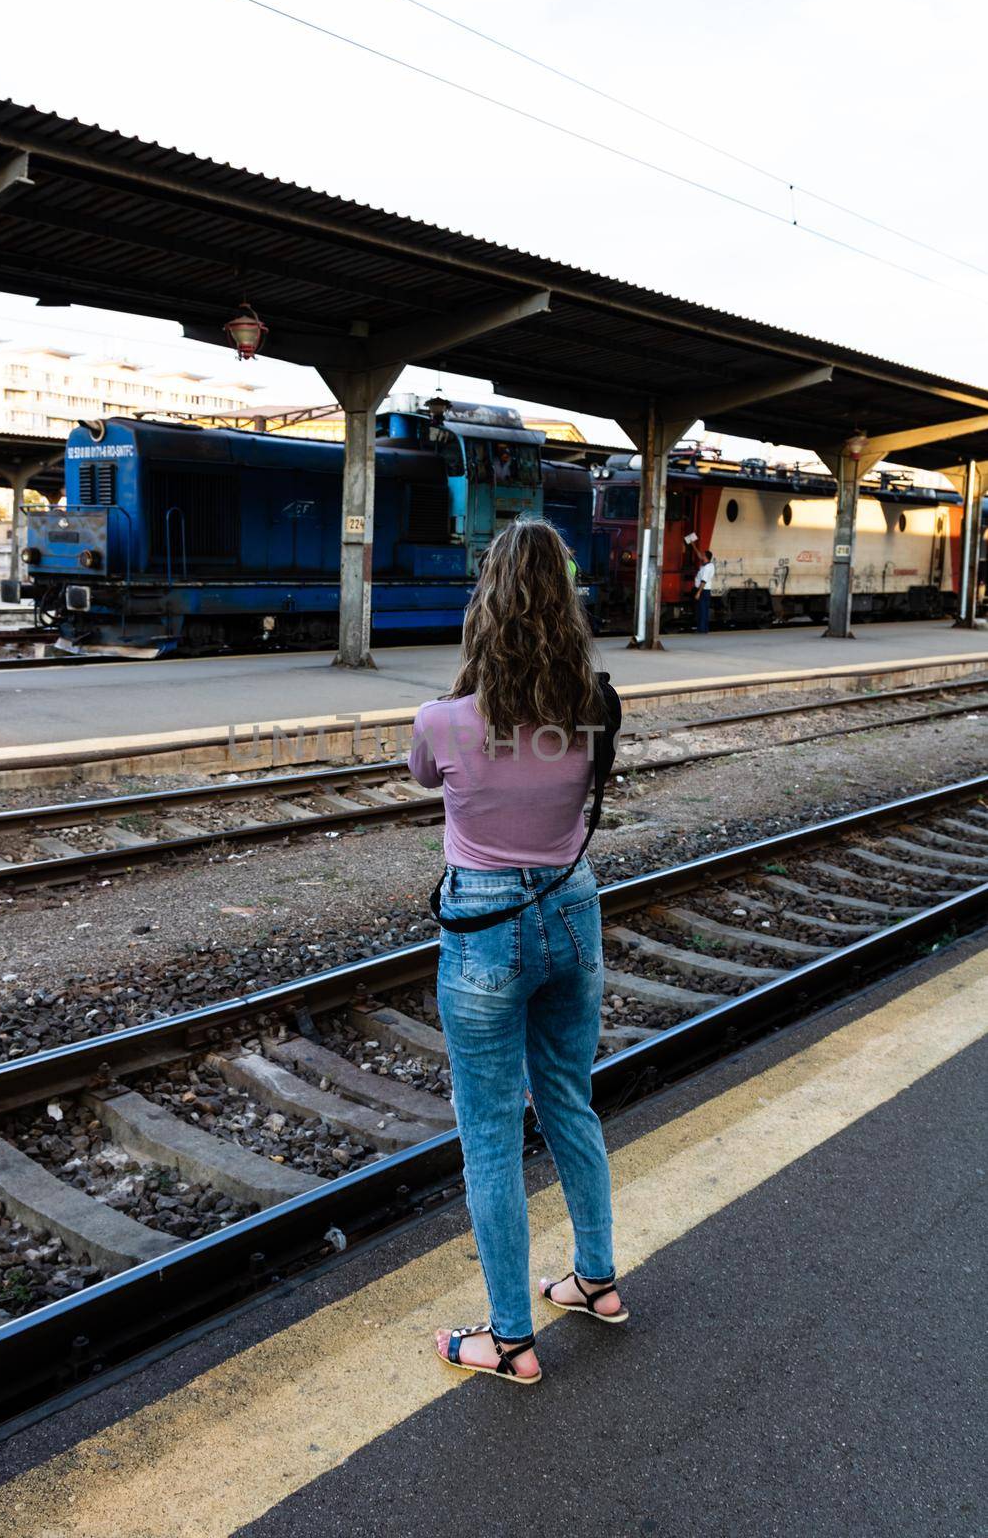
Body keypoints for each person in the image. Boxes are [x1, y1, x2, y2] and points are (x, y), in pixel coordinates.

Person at [409, 517, 627, 1387]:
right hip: (571, 916)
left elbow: (424, 776)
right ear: (566, 608)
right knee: (569, 1101)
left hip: (484, 934)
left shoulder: (444, 719)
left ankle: (506, 1338)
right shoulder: (594, 709)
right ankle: (596, 1283)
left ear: (484, 605)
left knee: (492, 1135)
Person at [691, 541, 715, 632]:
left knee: (702, 610)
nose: (701, 556)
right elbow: (698, 555)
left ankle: (702, 630)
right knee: (703, 610)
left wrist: (698, 592)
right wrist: (693, 544)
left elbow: (703, 581)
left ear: (706, 557)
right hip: (705, 591)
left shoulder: (707, 568)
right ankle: (704, 629)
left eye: (703, 555)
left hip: (703, 590)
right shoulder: (707, 565)